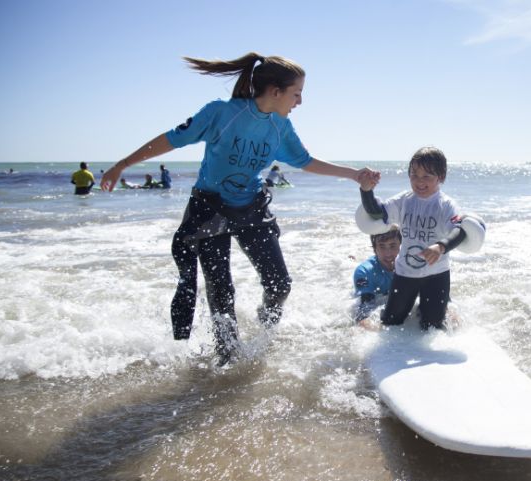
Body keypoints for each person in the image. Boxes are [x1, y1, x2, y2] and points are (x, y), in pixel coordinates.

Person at [100, 52, 379, 365]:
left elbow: (305, 161)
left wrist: (354, 174)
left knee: (280, 284)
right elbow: (171, 140)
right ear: (275, 92)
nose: (300, 101)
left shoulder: (280, 126)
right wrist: (121, 165)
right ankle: (226, 361)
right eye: (296, 93)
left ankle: (265, 335)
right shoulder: (221, 113)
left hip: (251, 208)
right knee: (221, 291)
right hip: (210, 208)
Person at [357, 147, 468, 330]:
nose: (419, 182)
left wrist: (440, 247)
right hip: (405, 274)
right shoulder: (405, 200)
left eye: (427, 176)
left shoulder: (446, 205)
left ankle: (440, 309)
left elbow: (461, 230)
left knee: (432, 327)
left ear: (441, 177)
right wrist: (366, 191)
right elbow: (377, 212)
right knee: (391, 324)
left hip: (437, 275)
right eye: (414, 175)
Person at [353, 227, 402, 328]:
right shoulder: (364, 272)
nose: (388, 254)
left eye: (393, 246)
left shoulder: (412, 266)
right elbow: (363, 311)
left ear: (401, 246)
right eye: (382, 246)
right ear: (375, 249)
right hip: (373, 296)